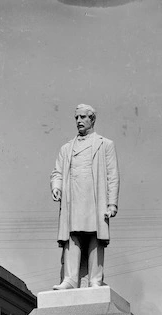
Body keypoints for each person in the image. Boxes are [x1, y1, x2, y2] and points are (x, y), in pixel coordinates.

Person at [51, 104, 120, 289]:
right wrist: (56, 187)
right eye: (77, 118)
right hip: (72, 198)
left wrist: (112, 203)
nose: (79, 121)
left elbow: (112, 175)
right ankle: (71, 279)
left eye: (83, 117)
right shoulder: (66, 148)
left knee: (95, 236)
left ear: (92, 119)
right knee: (72, 235)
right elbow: (57, 172)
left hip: (95, 199)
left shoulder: (105, 144)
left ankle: (95, 280)